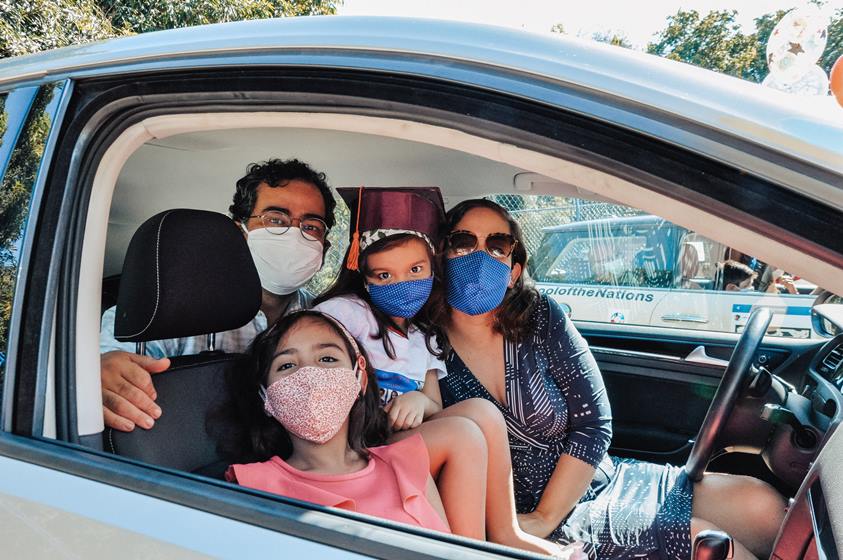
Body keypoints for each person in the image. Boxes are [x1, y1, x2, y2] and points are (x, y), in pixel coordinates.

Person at [435, 199, 787, 560]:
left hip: (597, 482)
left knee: (763, 507)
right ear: (442, 256)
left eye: (497, 246)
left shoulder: (541, 317)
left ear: (513, 270)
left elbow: (594, 423)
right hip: (525, 520)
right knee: (706, 542)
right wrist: (537, 521)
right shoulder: (422, 349)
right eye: (463, 241)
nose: (479, 256)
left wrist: (546, 514)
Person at [312, 187, 564, 556]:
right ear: (363, 274)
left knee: (480, 410)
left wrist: (417, 399)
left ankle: (506, 532)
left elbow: (432, 405)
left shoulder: (421, 336)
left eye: (415, 270)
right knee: (462, 434)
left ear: (434, 270)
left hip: (393, 440)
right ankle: (466, 549)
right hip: (355, 447)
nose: (401, 283)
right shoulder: (342, 315)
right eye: (383, 274)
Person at [99, 159, 335, 432]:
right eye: (275, 220)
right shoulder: (172, 309)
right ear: (240, 232)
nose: (294, 235)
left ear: (324, 244)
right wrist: (104, 369)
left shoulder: (324, 318)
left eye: (311, 226)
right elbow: (116, 362)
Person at [225, 310, 485, 537]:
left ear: (359, 377)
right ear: (265, 395)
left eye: (327, 359)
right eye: (287, 365)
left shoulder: (407, 463)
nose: (310, 375)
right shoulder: (253, 487)